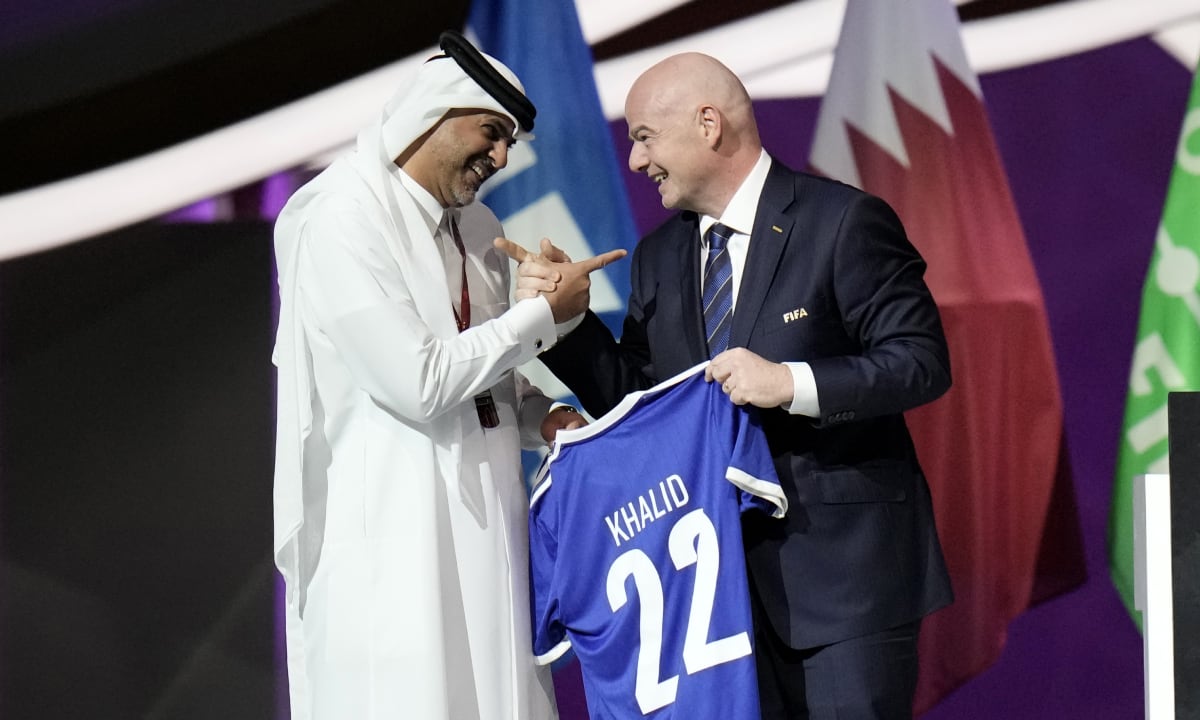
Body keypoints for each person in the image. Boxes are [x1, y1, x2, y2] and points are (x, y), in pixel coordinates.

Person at [503, 52, 953, 719]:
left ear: (708, 124)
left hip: (842, 586)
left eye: (644, 137)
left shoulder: (842, 223)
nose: (635, 161)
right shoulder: (660, 257)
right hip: (713, 602)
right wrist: (571, 323)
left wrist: (788, 382)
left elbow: (920, 361)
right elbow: (643, 405)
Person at [271, 31, 620, 720]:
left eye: (511, 142)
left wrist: (544, 415)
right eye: (491, 133)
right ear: (433, 113)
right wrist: (542, 316)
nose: (501, 156)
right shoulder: (341, 219)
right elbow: (418, 381)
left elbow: (488, 381)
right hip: (393, 554)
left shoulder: (481, 227)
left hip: (490, 540)